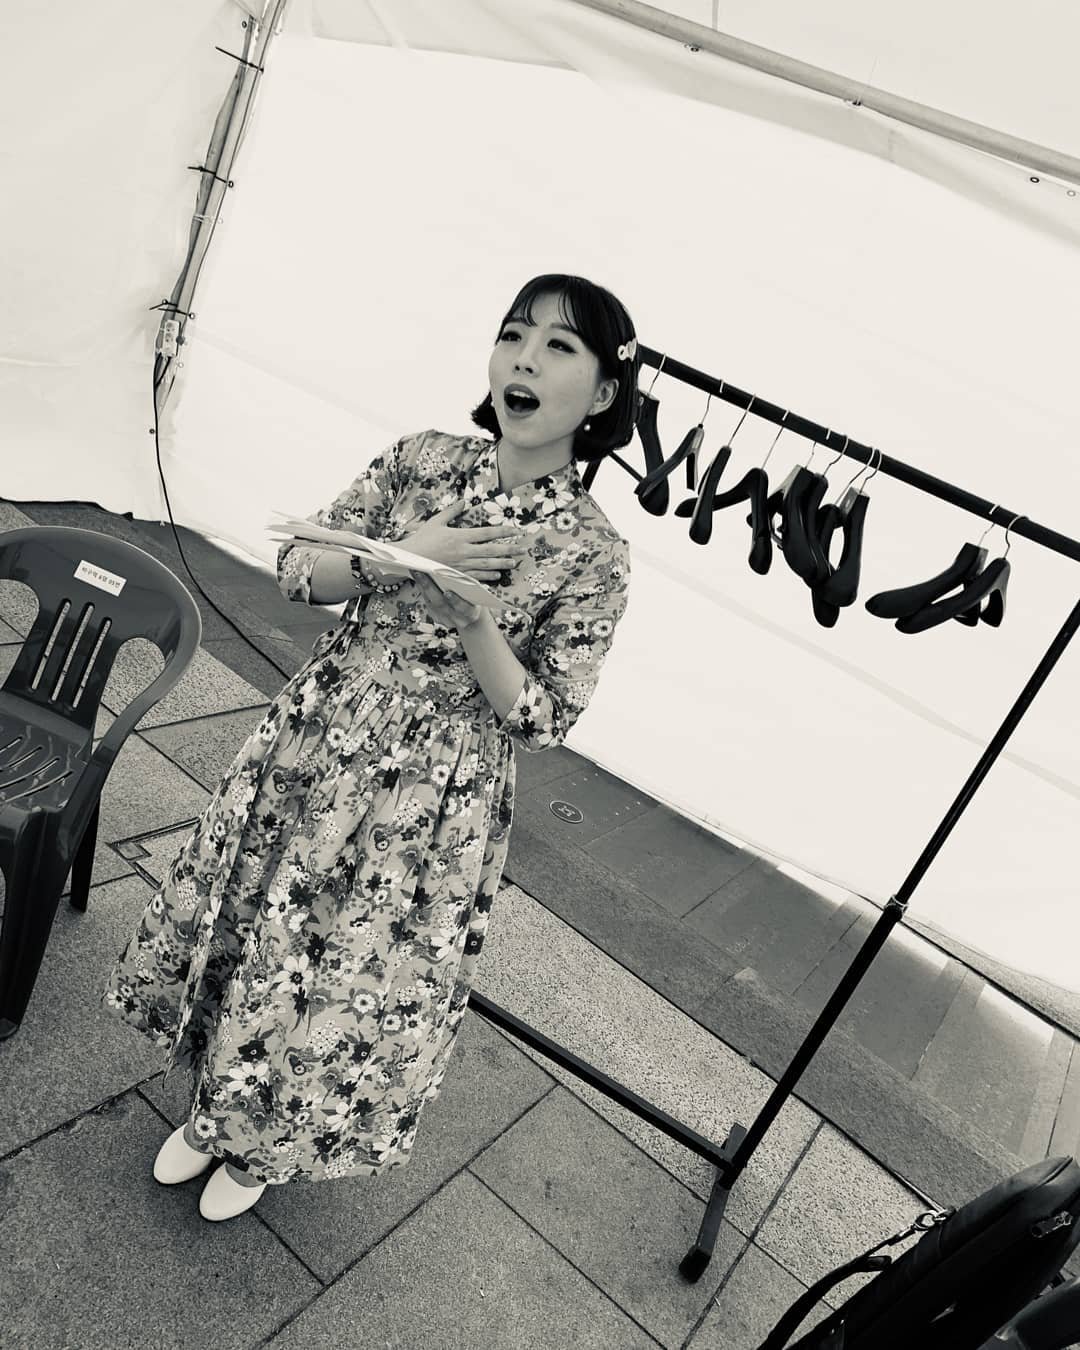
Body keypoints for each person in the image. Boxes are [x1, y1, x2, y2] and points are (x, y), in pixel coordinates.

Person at [101, 273, 637, 1221]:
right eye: (514, 334)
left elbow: (543, 719)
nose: (524, 358)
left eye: (559, 347)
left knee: (336, 967)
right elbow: (295, 569)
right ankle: (213, 1111)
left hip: (432, 794)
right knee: (256, 916)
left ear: (601, 393)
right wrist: (400, 554)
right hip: (321, 730)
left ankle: (262, 1144)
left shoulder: (593, 551)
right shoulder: (421, 460)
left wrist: (476, 622)